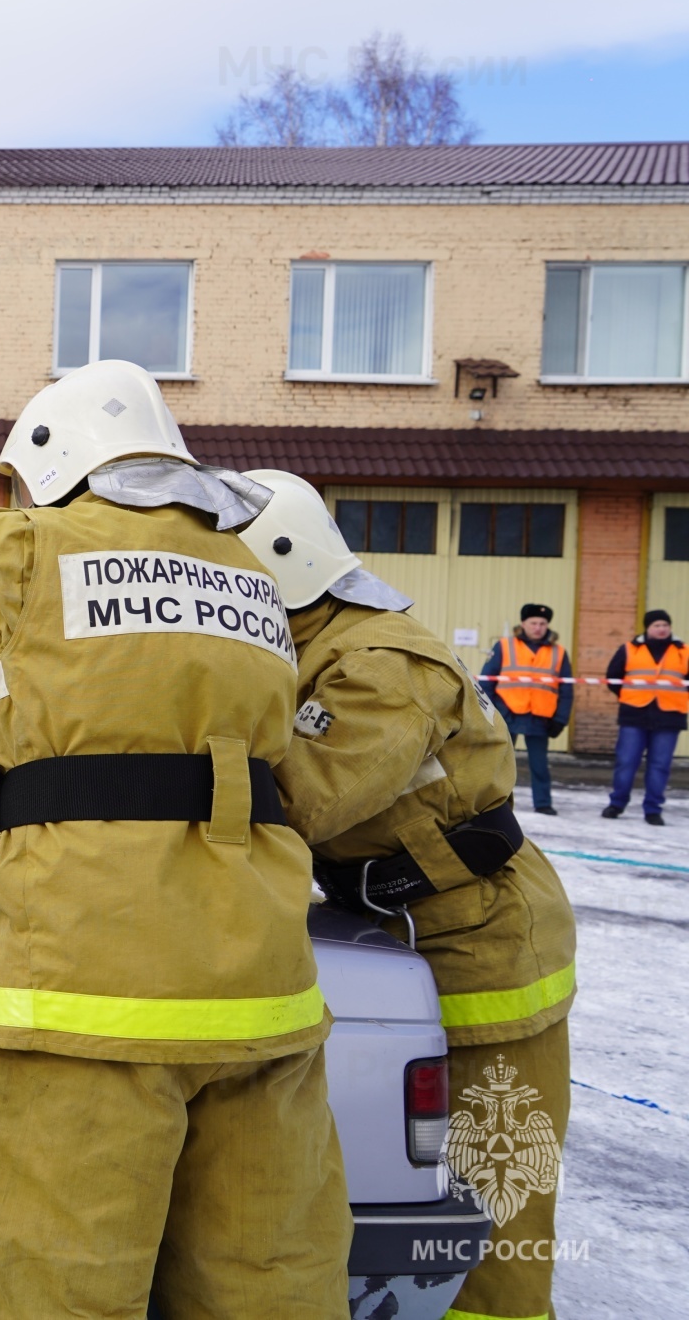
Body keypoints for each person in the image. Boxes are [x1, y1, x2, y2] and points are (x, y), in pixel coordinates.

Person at [0, 360, 349, 1317]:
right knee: (268, 1284)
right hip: (265, 996)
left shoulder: (25, 551)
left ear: (52, 461)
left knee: (52, 1289)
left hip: (91, 996)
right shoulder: (254, 579)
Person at [239, 470, 576, 1320]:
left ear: (275, 566)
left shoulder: (378, 666)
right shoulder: (313, 645)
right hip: (414, 925)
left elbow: (305, 795)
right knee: (430, 1189)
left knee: (497, 1201)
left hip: (484, 943)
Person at [482, 603, 571, 814]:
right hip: (507, 713)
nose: (538, 627)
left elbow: (567, 688)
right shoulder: (504, 646)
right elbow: (486, 681)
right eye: (533, 623)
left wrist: (561, 718)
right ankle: (495, 803)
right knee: (501, 762)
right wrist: (492, 712)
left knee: (539, 764)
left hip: (540, 716)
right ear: (523, 623)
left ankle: (543, 803)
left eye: (542, 623)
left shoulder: (559, 652)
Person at [603, 609, 686, 825]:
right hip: (634, 714)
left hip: (669, 716)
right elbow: (613, 677)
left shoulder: (683, 651)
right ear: (647, 628)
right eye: (657, 625)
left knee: (660, 765)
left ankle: (653, 809)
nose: (662, 629)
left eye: (665, 625)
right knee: (626, 762)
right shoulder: (630, 649)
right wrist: (629, 696)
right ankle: (617, 804)